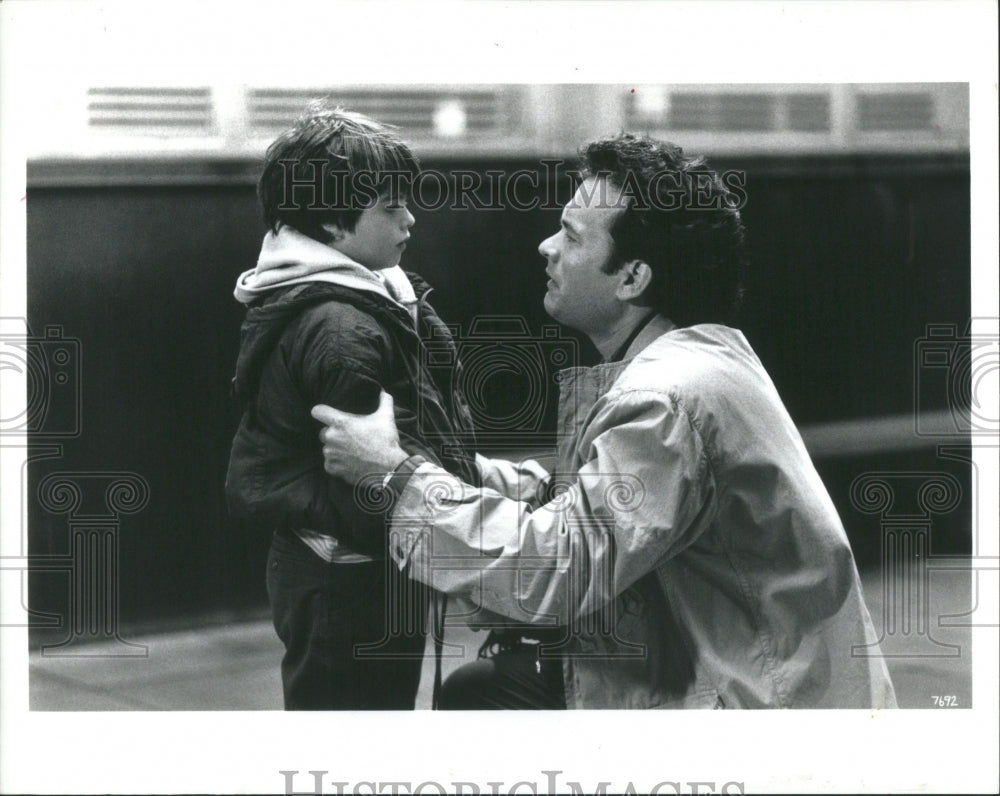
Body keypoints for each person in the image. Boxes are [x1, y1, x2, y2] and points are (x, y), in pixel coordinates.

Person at [311, 132, 898, 710]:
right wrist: (453, 470)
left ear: (632, 277)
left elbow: (552, 570)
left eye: (570, 235)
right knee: (486, 687)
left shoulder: (667, 400)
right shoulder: (696, 360)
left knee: (482, 695)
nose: (547, 247)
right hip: (738, 676)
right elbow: (582, 505)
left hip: (755, 716)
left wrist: (394, 478)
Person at [225, 104, 480, 710]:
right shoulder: (342, 327)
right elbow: (363, 484)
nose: (411, 219)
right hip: (348, 573)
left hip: (362, 561)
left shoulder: (373, 291)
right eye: (391, 206)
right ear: (333, 226)